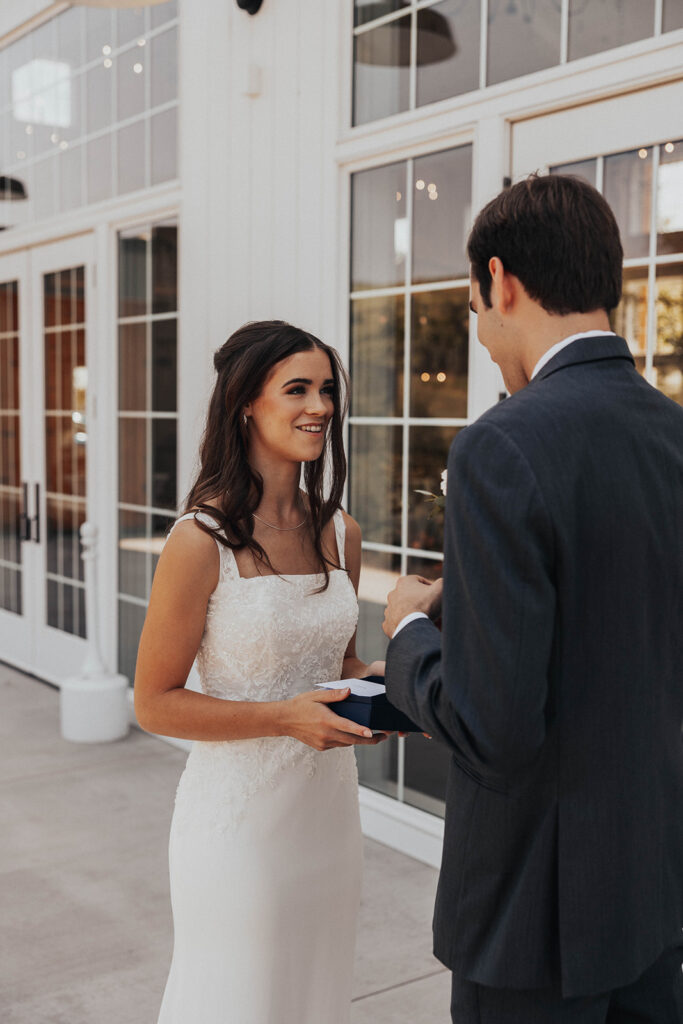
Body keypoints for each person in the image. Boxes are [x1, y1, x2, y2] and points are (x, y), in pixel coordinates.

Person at [382, 174, 683, 1023]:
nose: (478, 334)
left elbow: (493, 727)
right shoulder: (672, 434)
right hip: (652, 889)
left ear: (501, 281)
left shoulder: (499, 447)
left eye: (474, 308)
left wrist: (409, 632)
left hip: (532, 918)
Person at [134, 320, 385, 1024]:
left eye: (326, 390)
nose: (320, 407)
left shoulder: (342, 532)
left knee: (313, 996)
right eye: (297, 389)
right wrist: (284, 718)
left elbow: (340, 665)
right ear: (246, 401)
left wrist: (398, 690)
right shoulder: (199, 539)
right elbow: (154, 703)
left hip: (328, 822)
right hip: (238, 834)